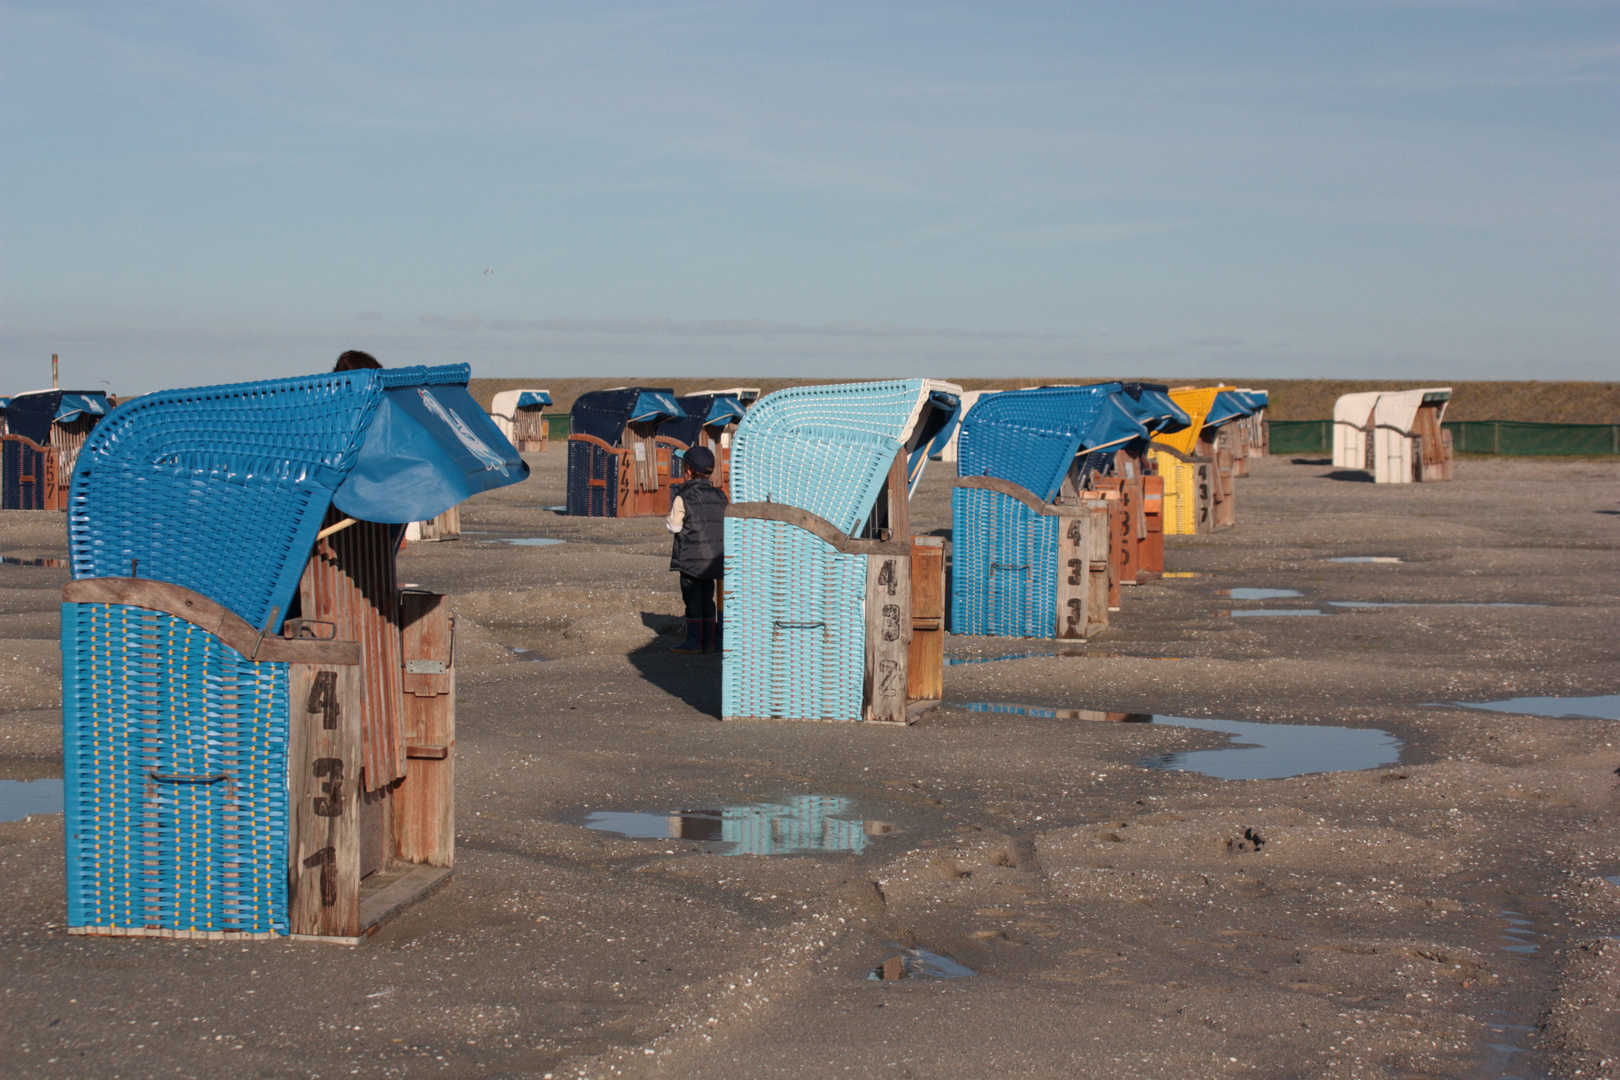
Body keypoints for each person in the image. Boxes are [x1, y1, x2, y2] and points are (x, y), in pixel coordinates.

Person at [665, 446, 727, 653]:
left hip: (691, 560)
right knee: (708, 599)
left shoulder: (683, 496)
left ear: (688, 471)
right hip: (715, 559)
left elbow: (674, 526)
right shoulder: (720, 495)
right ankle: (710, 641)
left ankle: (694, 641)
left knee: (692, 600)